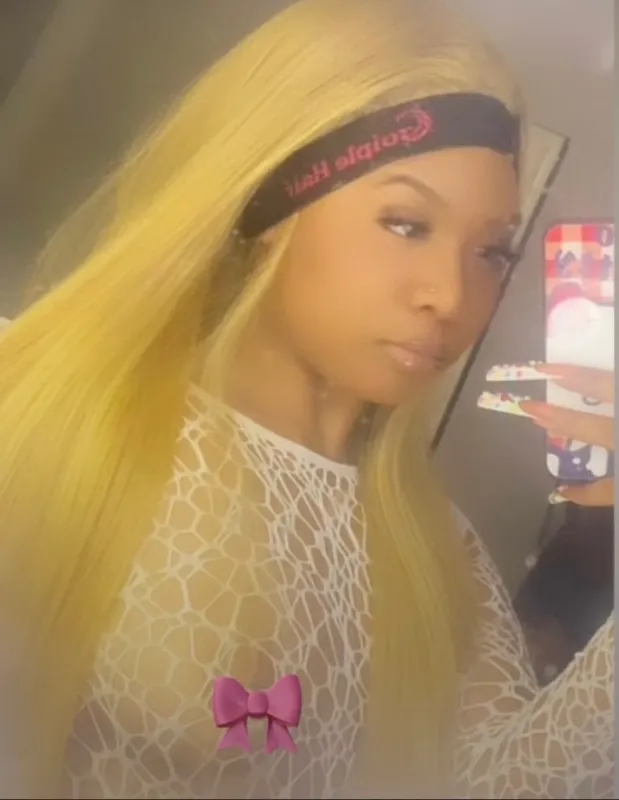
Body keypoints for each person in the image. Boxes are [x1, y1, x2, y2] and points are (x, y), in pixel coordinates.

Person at [0, 1, 613, 798]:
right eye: (405, 224)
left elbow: (492, 785)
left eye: (492, 251)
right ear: (272, 200)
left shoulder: (433, 547)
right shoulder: (52, 418)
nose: (450, 294)